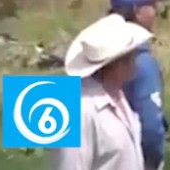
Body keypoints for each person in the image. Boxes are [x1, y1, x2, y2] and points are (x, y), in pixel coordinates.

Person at [52, 14, 153, 170]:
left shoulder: (119, 95)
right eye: (130, 56)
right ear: (116, 64)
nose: (135, 60)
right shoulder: (79, 109)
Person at [107, 0, 169, 170]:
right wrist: (152, 162)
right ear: (137, 11)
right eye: (151, 4)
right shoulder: (140, 64)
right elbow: (151, 130)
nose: (156, 11)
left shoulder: (95, 55)